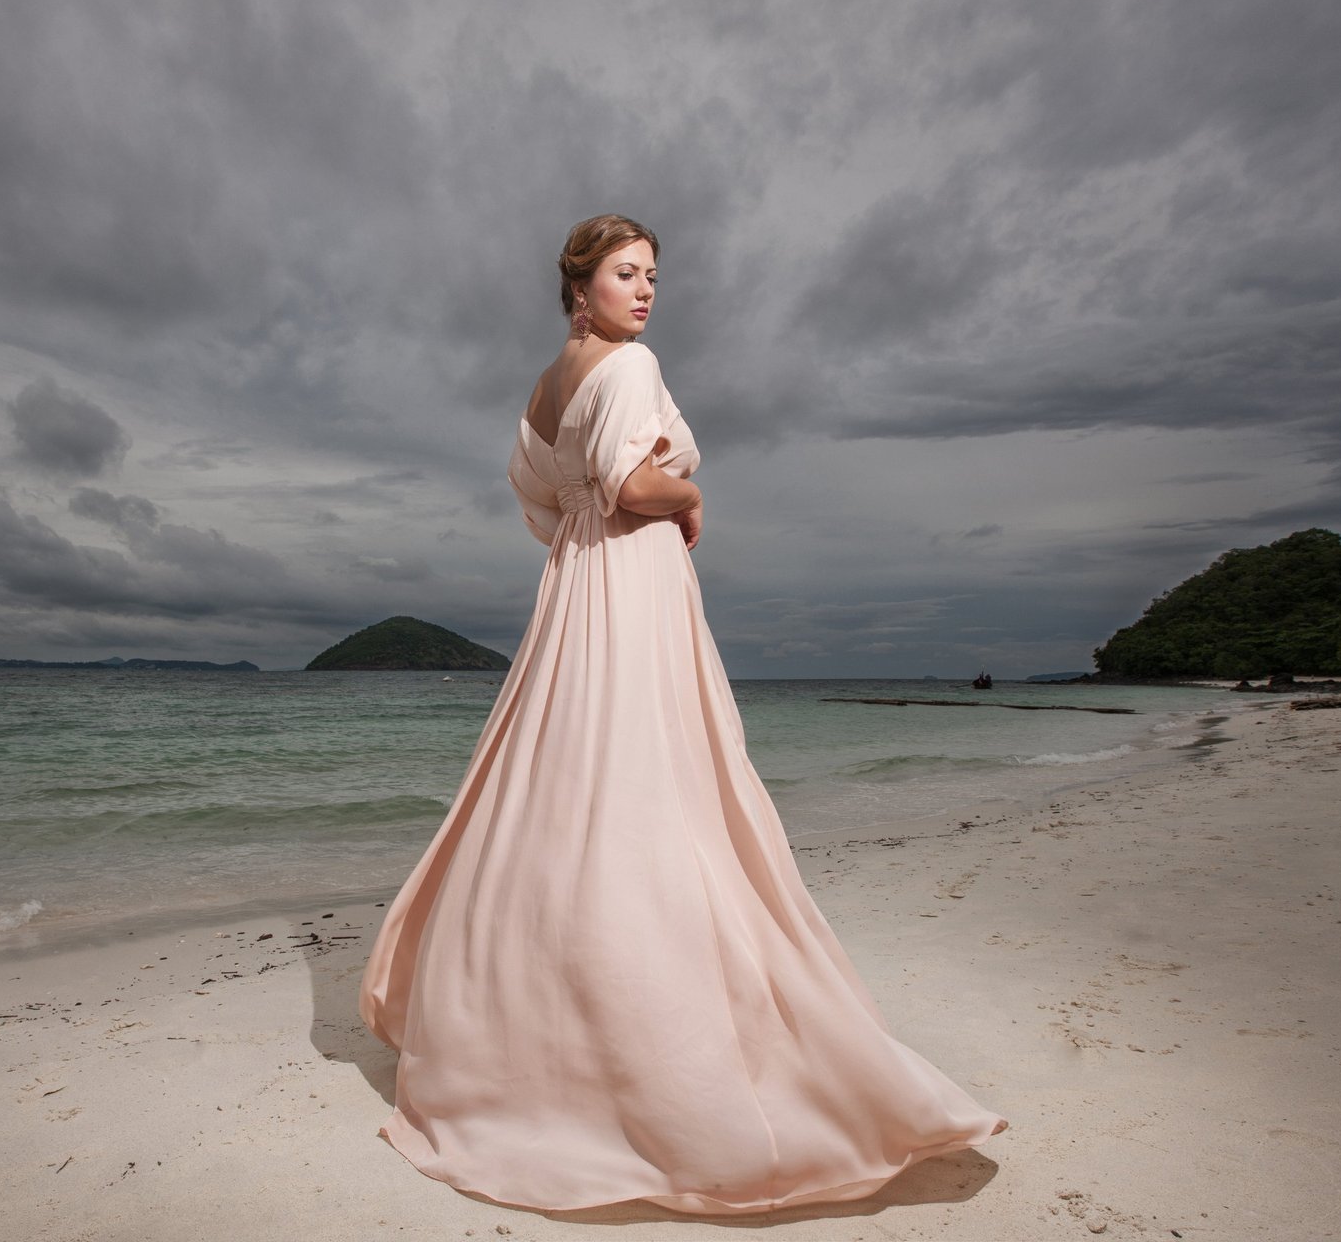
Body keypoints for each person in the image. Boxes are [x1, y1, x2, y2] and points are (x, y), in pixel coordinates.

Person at [358, 214, 1007, 1214]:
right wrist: (691, 492)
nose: (646, 290)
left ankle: (523, 1036)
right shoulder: (627, 365)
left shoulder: (544, 386)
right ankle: (648, 1047)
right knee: (650, 786)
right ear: (581, 286)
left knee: (562, 788)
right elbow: (628, 483)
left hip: (575, 585)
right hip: (629, 582)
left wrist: (620, 500)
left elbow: (541, 493)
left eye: (653, 275)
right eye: (627, 273)